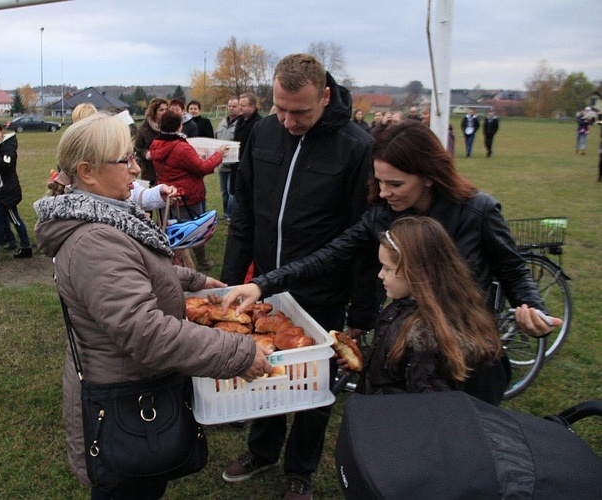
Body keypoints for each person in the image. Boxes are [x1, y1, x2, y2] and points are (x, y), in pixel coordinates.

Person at [222, 121, 561, 405]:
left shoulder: (478, 211)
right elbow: (330, 254)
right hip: (408, 351)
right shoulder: (383, 215)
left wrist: (533, 308)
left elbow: (513, 269)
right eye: (379, 181)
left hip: (465, 357)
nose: (384, 192)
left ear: (428, 175)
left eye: (395, 183)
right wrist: (262, 283)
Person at [32, 113, 271, 499]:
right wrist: (237, 351)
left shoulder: (107, 219)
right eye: (124, 160)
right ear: (87, 172)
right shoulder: (95, 240)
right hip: (124, 399)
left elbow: (134, 272)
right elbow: (146, 333)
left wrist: (194, 281)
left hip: (133, 387)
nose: (135, 167)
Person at [220, 53, 373, 500]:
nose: (288, 120)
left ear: (325, 96)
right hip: (267, 286)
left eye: (300, 111)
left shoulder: (355, 146)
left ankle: (300, 468)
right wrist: (231, 281)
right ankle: (262, 450)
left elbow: (363, 236)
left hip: (324, 292)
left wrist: (362, 310)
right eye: (280, 108)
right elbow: (243, 212)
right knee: (265, 372)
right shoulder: (263, 132)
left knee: (312, 384)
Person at [353, 216, 502, 395]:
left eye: (387, 268)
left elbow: (424, 406)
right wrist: (364, 361)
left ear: (414, 271)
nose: (380, 275)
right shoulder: (402, 306)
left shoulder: (427, 340)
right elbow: (394, 368)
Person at [150, 110, 226, 271]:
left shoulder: (156, 144)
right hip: (187, 197)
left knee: (174, 234)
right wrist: (218, 155)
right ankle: (195, 266)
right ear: (179, 126)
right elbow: (203, 167)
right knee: (196, 232)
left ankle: (176, 267)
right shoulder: (181, 147)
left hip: (168, 197)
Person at [0, 121, 32, 263]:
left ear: (1, 133)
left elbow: (6, 168)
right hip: (3, 189)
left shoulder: (8, 147)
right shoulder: (0, 146)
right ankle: (25, 247)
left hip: (8, 192)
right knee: (14, 218)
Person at [215, 97, 240, 221]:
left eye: (234, 106)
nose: (231, 108)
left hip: (233, 165)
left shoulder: (240, 124)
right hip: (221, 164)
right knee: (224, 192)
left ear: (239, 107)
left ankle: (231, 216)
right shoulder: (222, 123)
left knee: (232, 192)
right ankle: (225, 213)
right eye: (229, 106)